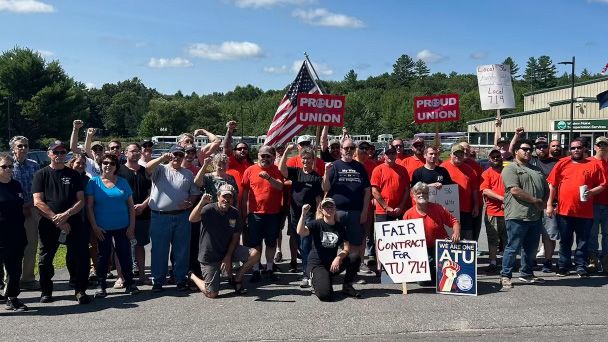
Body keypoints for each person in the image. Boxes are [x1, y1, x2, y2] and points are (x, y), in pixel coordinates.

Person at [32, 141, 91, 304]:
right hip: (49, 223)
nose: (59, 155)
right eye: (56, 152)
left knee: (80, 256)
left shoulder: (74, 175)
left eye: (62, 152)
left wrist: (66, 214)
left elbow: (80, 200)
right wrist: (56, 219)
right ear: (49, 154)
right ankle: (46, 291)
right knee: (45, 258)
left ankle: (80, 290)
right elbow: (37, 201)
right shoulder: (41, 174)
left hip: (74, 221)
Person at [546, 138, 607, 278]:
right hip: (564, 210)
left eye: (579, 147)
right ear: (569, 150)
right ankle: (563, 265)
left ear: (583, 149)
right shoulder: (563, 163)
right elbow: (552, 185)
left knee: (583, 241)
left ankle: (580, 266)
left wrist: (592, 192)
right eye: (573, 148)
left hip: (585, 212)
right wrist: (549, 204)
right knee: (565, 241)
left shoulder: (593, 164)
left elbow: (603, 184)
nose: (576, 150)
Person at [188, 185, 260, 298]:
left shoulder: (234, 213)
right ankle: (192, 275)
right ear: (218, 197)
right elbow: (192, 219)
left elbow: (235, 237)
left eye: (230, 197)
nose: (226, 200)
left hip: (227, 251)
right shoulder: (209, 209)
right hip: (210, 256)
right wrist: (202, 202)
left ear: (233, 199)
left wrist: (228, 257)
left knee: (255, 253)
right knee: (212, 293)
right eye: (224, 196)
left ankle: (237, 279)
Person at [146, 145, 200, 292]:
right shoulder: (160, 169)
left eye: (180, 155)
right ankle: (158, 280)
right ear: (170, 154)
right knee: (159, 250)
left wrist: (190, 202)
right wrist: (162, 158)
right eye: (175, 154)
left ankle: (181, 279)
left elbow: (194, 192)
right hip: (160, 216)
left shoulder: (188, 174)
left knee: (182, 250)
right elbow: (147, 168)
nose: (177, 157)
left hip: (182, 216)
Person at [86, 153, 140, 297]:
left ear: (116, 166)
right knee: (103, 257)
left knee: (125, 255)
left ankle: (129, 283)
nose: (108, 166)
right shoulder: (93, 182)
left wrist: (131, 227)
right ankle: (101, 285)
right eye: (105, 163)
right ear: (101, 165)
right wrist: (95, 227)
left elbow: (130, 206)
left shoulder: (122, 182)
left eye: (111, 163)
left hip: (123, 227)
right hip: (102, 228)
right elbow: (89, 207)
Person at [500, 140, 548, 289]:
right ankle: (505, 275)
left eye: (530, 149)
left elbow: (546, 189)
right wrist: (535, 200)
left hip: (535, 215)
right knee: (513, 247)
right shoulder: (510, 168)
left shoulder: (537, 169)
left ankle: (527, 274)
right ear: (516, 151)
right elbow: (514, 190)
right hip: (517, 215)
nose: (528, 152)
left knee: (531, 248)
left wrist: (544, 202)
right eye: (524, 149)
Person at [297, 198, 361, 301]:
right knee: (325, 295)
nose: (329, 209)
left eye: (331, 206)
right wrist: (303, 214)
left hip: (332, 265)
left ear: (335, 209)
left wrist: (338, 258)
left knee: (354, 257)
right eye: (326, 207)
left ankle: (347, 286)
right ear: (322, 210)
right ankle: (315, 281)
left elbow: (346, 248)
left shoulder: (339, 227)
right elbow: (301, 232)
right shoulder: (317, 224)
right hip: (317, 265)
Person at [322, 138, 370, 273]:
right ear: (341, 150)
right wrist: (326, 172)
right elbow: (325, 187)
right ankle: (330, 269)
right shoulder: (334, 166)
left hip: (356, 211)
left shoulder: (360, 167)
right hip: (336, 212)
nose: (349, 150)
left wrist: (365, 210)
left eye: (351, 148)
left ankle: (351, 272)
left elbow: (367, 190)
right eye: (346, 148)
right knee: (332, 242)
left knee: (355, 243)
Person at [279, 144, 323, 287]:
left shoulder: (316, 178)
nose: (306, 161)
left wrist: (318, 216)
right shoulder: (296, 172)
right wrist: (286, 151)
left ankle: (307, 274)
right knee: (299, 244)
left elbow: (318, 200)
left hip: (309, 216)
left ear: (313, 160)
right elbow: (282, 170)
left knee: (305, 245)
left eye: (309, 159)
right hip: (295, 214)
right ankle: (309, 269)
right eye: (303, 159)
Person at [402, 182, 461, 286]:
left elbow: (454, 222)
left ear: (428, 195)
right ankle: (429, 272)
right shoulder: (408, 214)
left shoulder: (438, 208)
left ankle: (435, 272)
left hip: (440, 248)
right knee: (423, 282)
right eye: (418, 193)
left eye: (424, 193)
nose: (421, 195)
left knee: (445, 275)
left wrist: (456, 233)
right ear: (413, 196)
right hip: (420, 250)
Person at [241, 145, 284, 282]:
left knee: (271, 243)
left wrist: (269, 178)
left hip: (273, 213)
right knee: (255, 244)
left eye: (268, 156)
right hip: (255, 214)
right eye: (262, 155)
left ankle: (270, 268)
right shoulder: (250, 170)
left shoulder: (276, 170)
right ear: (258, 156)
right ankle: (255, 270)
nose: (265, 158)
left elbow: (280, 187)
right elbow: (245, 194)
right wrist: (244, 213)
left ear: (272, 157)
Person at [369, 146, 410, 273]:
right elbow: (374, 191)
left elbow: (406, 190)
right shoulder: (378, 169)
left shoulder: (402, 170)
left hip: (399, 210)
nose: (391, 156)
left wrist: (401, 207)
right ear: (384, 156)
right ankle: (380, 266)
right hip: (383, 211)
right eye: (388, 154)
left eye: (393, 154)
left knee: (399, 239)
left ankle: (396, 265)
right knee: (382, 239)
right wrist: (386, 207)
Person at [9, 135, 40, 291]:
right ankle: (10, 279)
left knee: (31, 245)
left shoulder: (34, 165)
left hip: (32, 209)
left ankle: (27, 279)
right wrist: (20, 206)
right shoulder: (6, 166)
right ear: (13, 148)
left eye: (26, 146)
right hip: (12, 212)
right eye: (20, 146)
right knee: (11, 246)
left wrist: (30, 205)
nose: (23, 149)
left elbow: (39, 188)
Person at [118, 143, 152, 285]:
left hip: (143, 214)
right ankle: (122, 277)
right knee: (121, 246)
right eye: (133, 151)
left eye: (138, 151)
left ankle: (142, 275)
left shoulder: (145, 171)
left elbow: (152, 191)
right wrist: (130, 207)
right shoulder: (119, 171)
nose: (136, 153)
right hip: (123, 214)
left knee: (140, 245)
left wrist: (143, 205)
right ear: (126, 153)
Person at [0, 153, 29, 311]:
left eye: (11, 166)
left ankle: (12, 298)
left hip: (16, 234)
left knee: (14, 268)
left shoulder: (16, 185)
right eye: (4, 166)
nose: (8, 169)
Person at [441, 144, 479, 240]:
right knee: (449, 236)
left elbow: (475, 189)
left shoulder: (469, 170)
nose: (458, 156)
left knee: (467, 237)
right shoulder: (442, 168)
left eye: (461, 154)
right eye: (456, 154)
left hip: (466, 210)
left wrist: (476, 205)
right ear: (451, 154)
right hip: (448, 209)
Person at [480, 149, 506, 274]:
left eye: (498, 156)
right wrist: (502, 198)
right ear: (489, 159)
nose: (496, 158)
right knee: (493, 239)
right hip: (493, 211)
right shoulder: (487, 173)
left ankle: (507, 263)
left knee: (508, 239)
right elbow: (485, 190)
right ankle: (493, 262)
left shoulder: (508, 171)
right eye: (493, 157)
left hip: (509, 212)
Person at [588, 136, 608, 273]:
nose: (602, 146)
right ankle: (592, 261)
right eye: (599, 144)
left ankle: (606, 262)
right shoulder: (588, 162)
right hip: (592, 204)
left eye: (605, 144)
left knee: (607, 234)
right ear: (595, 147)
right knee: (592, 234)